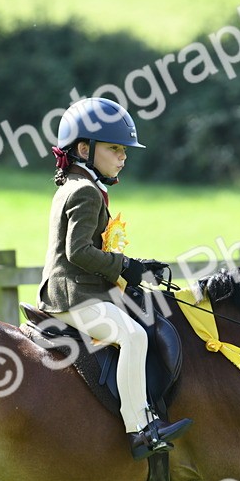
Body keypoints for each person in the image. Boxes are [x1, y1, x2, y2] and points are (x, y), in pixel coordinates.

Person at [37, 97, 193, 460]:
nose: (123, 157)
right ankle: (140, 429)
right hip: (74, 295)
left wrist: (134, 267)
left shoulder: (76, 185)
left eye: (124, 150)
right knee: (133, 336)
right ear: (84, 149)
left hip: (83, 290)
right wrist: (124, 266)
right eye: (114, 149)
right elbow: (78, 252)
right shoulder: (85, 191)